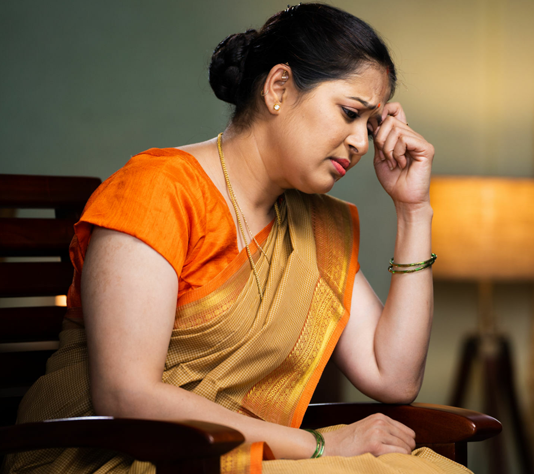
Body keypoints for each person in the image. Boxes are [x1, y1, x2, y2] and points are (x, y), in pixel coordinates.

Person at [3, 3, 472, 474]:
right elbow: (126, 394)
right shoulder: (158, 190)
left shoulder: (318, 224)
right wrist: (319, 445)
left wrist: (412, 210)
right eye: (350, 113)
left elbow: (393, 377)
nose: (361, 143)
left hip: (239, 458)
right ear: (279, 87)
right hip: (111, 457)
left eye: (370, 125)